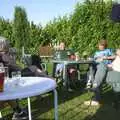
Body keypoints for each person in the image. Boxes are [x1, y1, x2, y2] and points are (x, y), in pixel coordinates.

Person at [0, 36, 28, 120]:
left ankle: (18, 111)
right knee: (7, 94)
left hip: (6, 80)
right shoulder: (3, 56)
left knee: (6, 92)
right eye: (7, 45)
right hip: (11, 77)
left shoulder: (3, 56)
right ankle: (18, 112)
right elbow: (17, 68)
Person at [84, 40, 115, 106]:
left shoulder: (108, 51)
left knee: (100, 67)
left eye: (102, 45)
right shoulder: (96, 52)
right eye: (99, 45)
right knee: (90, 67)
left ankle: (96, 96)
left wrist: (105, 57)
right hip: (96, 65)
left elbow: (114, 56)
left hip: (103, 65)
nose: (100, 46)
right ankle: (90, 84)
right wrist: (90, 59)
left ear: (105, 46)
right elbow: (93, 59)